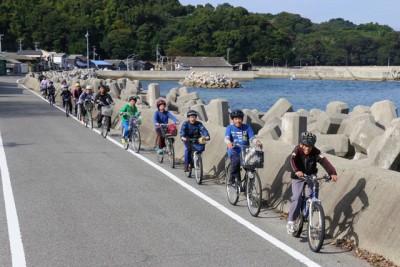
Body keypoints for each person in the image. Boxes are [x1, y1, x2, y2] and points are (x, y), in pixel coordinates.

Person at [286, 131, 338, 234]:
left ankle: (312, 204)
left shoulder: (316, 152)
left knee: (314, 188)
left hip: (310, 175)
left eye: (310, 146)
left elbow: (324, 161)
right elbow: (292, 161)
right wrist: (297, 171)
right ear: (301, 144)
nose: (307, 148)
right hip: (298, 176)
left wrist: (332, 173)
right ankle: (291, 222)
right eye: (305, 145)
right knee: (296, 197)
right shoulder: (297, 151)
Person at [224, 109, 263, 184]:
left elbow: (252, 138)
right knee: (236, 160)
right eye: (236, 119)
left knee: (251, 166)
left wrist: (257, 142)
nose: (238, 121)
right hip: (234, 151)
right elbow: (226, 138)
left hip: (245, 151)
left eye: (239, 119)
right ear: (233, 120)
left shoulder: (247, 127)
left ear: (242, 119)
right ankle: (233, 177)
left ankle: (249, 185)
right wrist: (229, 143)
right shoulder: (229, 128)